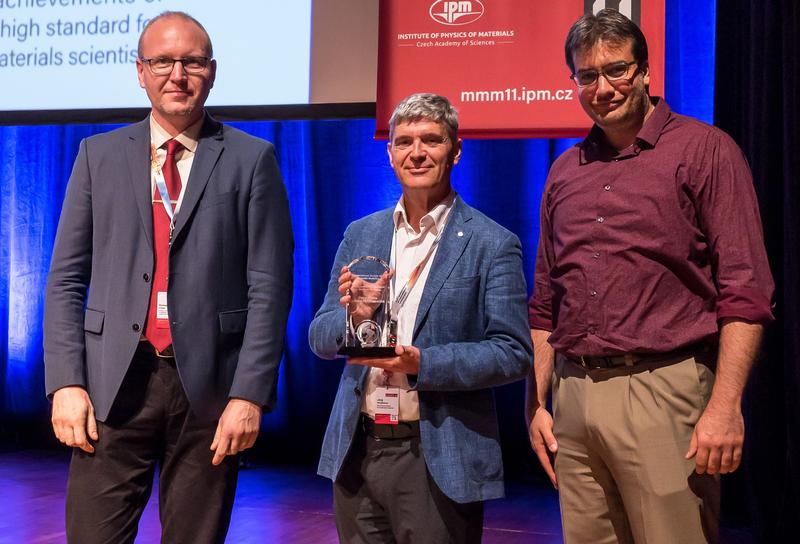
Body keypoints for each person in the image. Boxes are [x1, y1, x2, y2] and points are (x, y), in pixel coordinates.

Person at [525, 8, 774, 544]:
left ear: (643, 71)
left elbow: (745, 292)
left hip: (664, 387)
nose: (604, 87)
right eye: (587, 76)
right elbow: (545, 300)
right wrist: (538, 403)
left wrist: (725, 407)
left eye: (616, 70)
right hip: (573, 394)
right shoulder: (564, 170)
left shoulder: (705, 150)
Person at [43, 11, 293, 543]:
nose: (177, 74)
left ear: (213, 71)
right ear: (140, 71)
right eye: (162, 61)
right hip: (112, 385)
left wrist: (249, 394)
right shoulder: (97, 156)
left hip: (209, 391)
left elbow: (270, 289)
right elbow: (66, 279)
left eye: (192, 62)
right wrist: (66, 381)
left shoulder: (252, 159)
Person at [309, 93, 532, 543]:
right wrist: (355, 318)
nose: (417, 152)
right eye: (404, 141)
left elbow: (513, 353)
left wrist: (421, 363)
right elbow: (319, 335)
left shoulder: (492, 243)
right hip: (358, 448)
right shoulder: (362, 233)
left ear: (455, 150)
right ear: (389, 153)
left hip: (438, 453)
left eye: (430, 140)